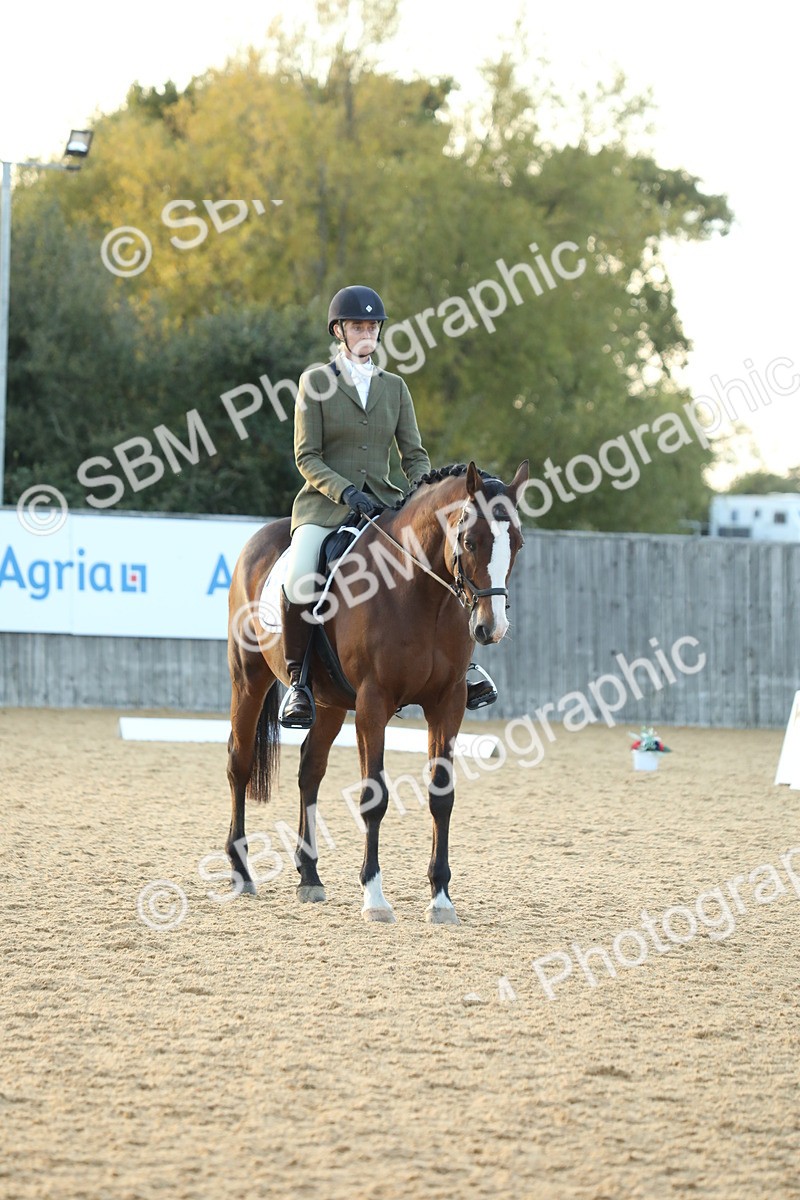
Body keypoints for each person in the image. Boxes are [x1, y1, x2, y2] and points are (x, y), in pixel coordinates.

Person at [279, 284, 432, 728]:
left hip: (383, 505)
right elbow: (306, 456)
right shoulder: (316, 382)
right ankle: (299, 683)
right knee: (301, 574)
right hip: (325, 507)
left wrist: (423, 493)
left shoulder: (396, 388)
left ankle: (459, 668)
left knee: (438, 562)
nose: (366, 332)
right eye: (357, 326)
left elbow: (414, 455)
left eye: (372, 326)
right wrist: (346, 492)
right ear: (340, 331)